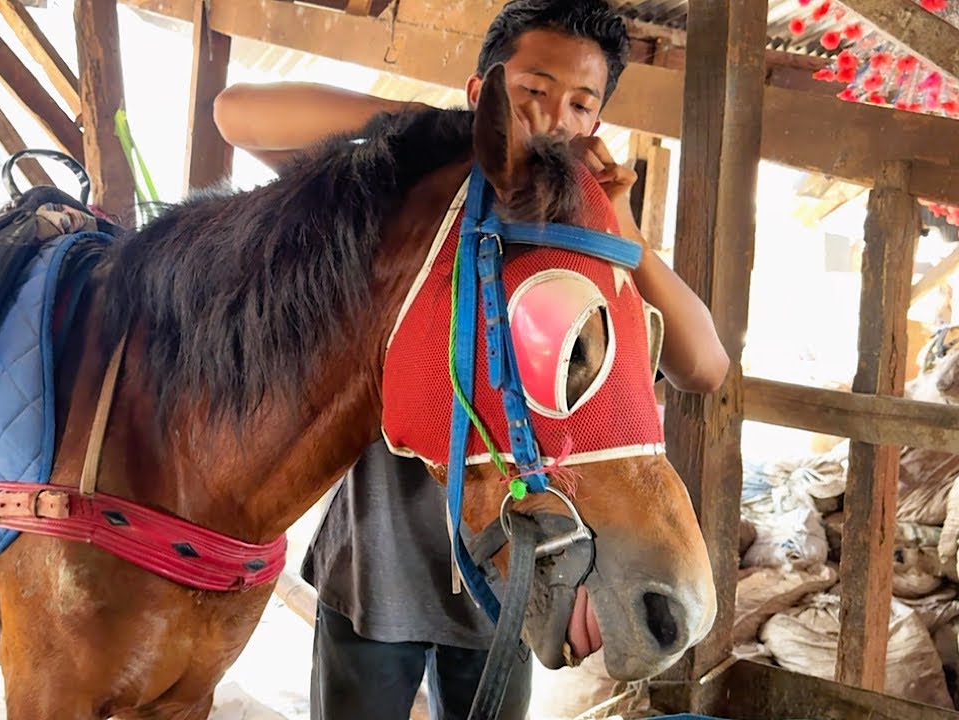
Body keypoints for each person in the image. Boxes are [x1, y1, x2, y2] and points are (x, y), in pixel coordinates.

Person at [212, 2, 731, 718]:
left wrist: (623, 226)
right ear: (482, 94)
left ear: (596, 128)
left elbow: (705, 366)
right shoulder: (412, 204)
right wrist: (454, 134)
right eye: (531, 92)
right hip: (375, 563)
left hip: (514, 573)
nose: (554, 119)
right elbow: (239, 115)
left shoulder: (590, 251)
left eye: (580, 104)